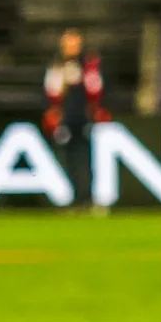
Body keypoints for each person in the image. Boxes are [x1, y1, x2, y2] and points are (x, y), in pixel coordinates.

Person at [42, 29, 107, 208]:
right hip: (65, 120)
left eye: (75, 43)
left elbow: (97, 89)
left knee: (88, 158)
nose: (72, 47)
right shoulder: (56, 65)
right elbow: (50, 91)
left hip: (84, 118)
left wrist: (95, 111)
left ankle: (89, 197)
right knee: (67, 159)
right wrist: (54, 113)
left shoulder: (89, 64)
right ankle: (73, 198)